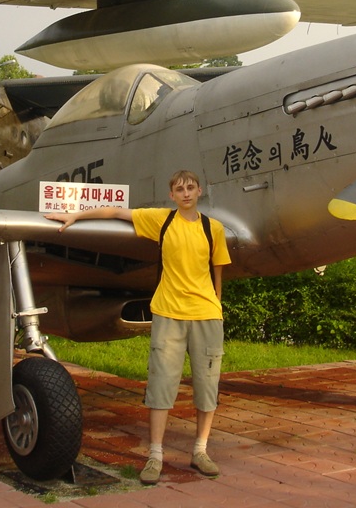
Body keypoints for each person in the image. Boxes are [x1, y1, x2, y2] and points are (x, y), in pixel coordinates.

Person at [46, 169, 231, 485]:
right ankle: (155, 455)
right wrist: (76, 216)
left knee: (207, 386)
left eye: (190, 187)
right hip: (169, 313)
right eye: (179, 189)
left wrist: (216, 306)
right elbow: (118, 212)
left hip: (206, 317)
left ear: (200, 191)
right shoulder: (162, 220)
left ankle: (200, 450)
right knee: (161, 386)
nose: (185, 193)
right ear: (172, 195)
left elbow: (218, 271)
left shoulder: (212, 228)